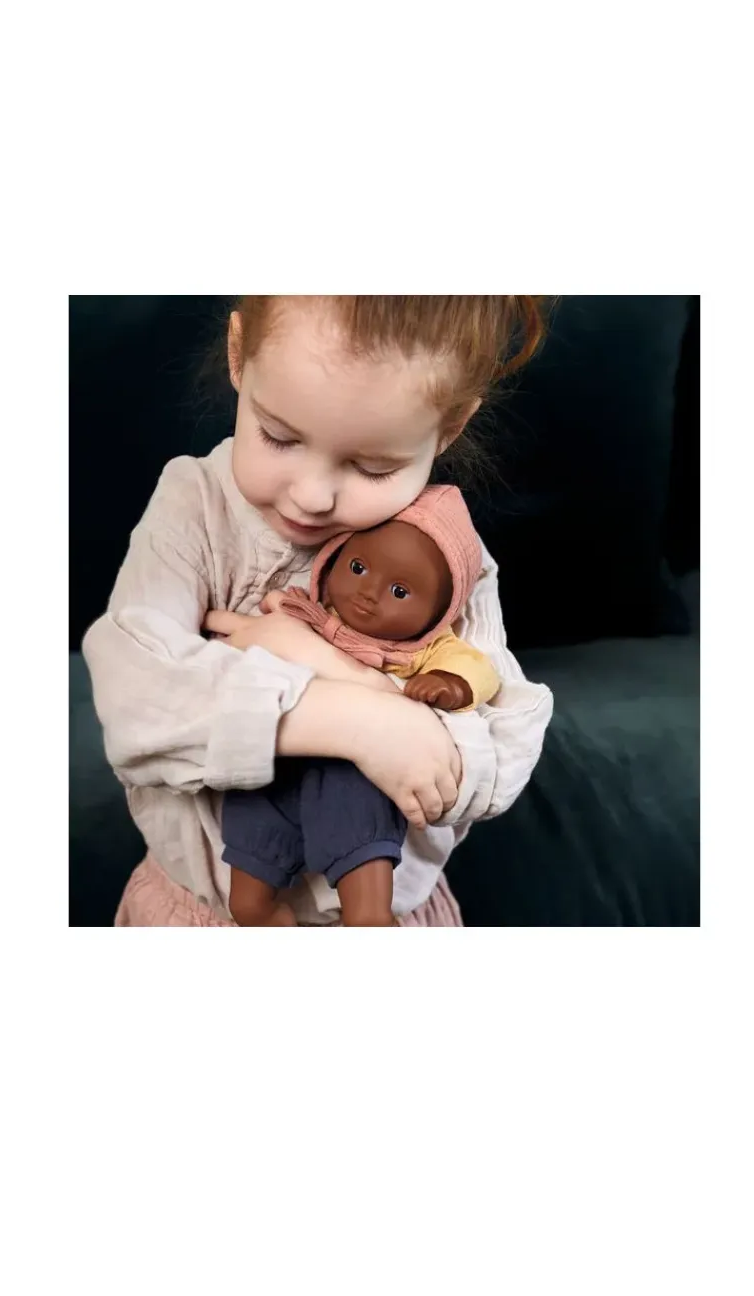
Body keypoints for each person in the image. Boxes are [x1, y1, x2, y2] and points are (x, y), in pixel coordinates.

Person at [82, 296, 555, 926]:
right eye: (278, 437)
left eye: (373, 467)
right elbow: (135, 701)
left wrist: (339, 673)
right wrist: (347, 719)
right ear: (238, 355)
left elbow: (501, 755)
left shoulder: (448, 557)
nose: (311, 496)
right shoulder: (196, 505)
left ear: (450, 426)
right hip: (200, 914)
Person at [221, 487, 502, 926]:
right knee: (246, 892)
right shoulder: (311, 613)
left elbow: (480, 670)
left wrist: (450, 684)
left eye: (399, 591)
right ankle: (261, 912)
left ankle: (370, 916)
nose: (369, 592)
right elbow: (258, 643)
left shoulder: (424, 649)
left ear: (438, 614)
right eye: (357, 567)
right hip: (281, 763)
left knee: (360, 833)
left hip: (354, 775)